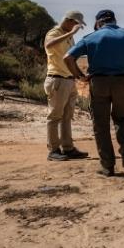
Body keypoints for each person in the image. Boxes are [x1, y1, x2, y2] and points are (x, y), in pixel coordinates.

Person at [64, 10, 124, 177]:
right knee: (123, 119)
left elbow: (68, 58)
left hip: (98, 83)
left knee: (101, 125)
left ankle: (108, 166)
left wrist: (81, 77)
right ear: (114, 20)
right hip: (122, 82)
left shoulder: (91, 37)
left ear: (99, 23)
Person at [42, 11, 90, 162]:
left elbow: (71, 60)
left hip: (69, 80)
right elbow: (48, 45)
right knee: (54, 116)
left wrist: (80, 76)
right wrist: (71, 33)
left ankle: (68, 148)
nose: (78, 28)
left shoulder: (69, 36)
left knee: (67, 116)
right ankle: (53, 150)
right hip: (57, 80)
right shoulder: (54, 32)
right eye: (77, 24)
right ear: (70, 21)